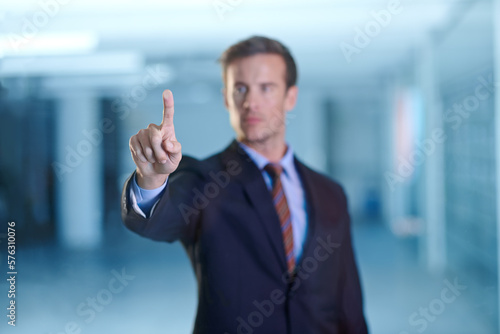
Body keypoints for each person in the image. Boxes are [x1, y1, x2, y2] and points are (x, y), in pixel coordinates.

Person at [121, 36, 368, 334]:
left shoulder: (331, 193)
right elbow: (161, 219)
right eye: (240, 89)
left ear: (290, 97)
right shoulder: (204, 180)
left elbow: (348, 299)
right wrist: (152, 179)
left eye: (266, 88)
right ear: (227, 98)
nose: (251, 102)